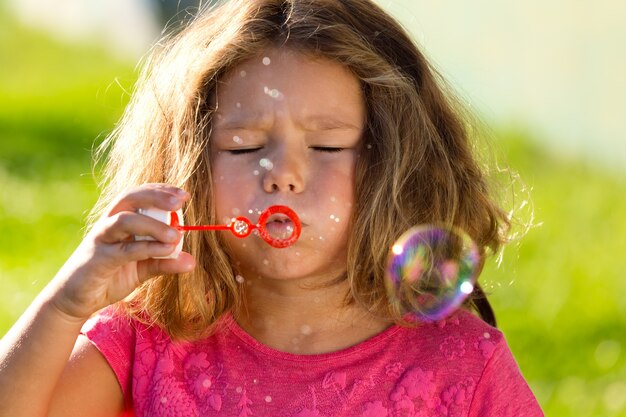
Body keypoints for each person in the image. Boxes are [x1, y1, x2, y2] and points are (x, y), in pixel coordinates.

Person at [0, 0, 544, 416]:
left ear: (392, 164)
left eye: (327, 146)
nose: (282, 173)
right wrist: (65, 307)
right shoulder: (145, 343)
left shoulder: (462, 364)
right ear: (187, 167)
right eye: (243, 147)